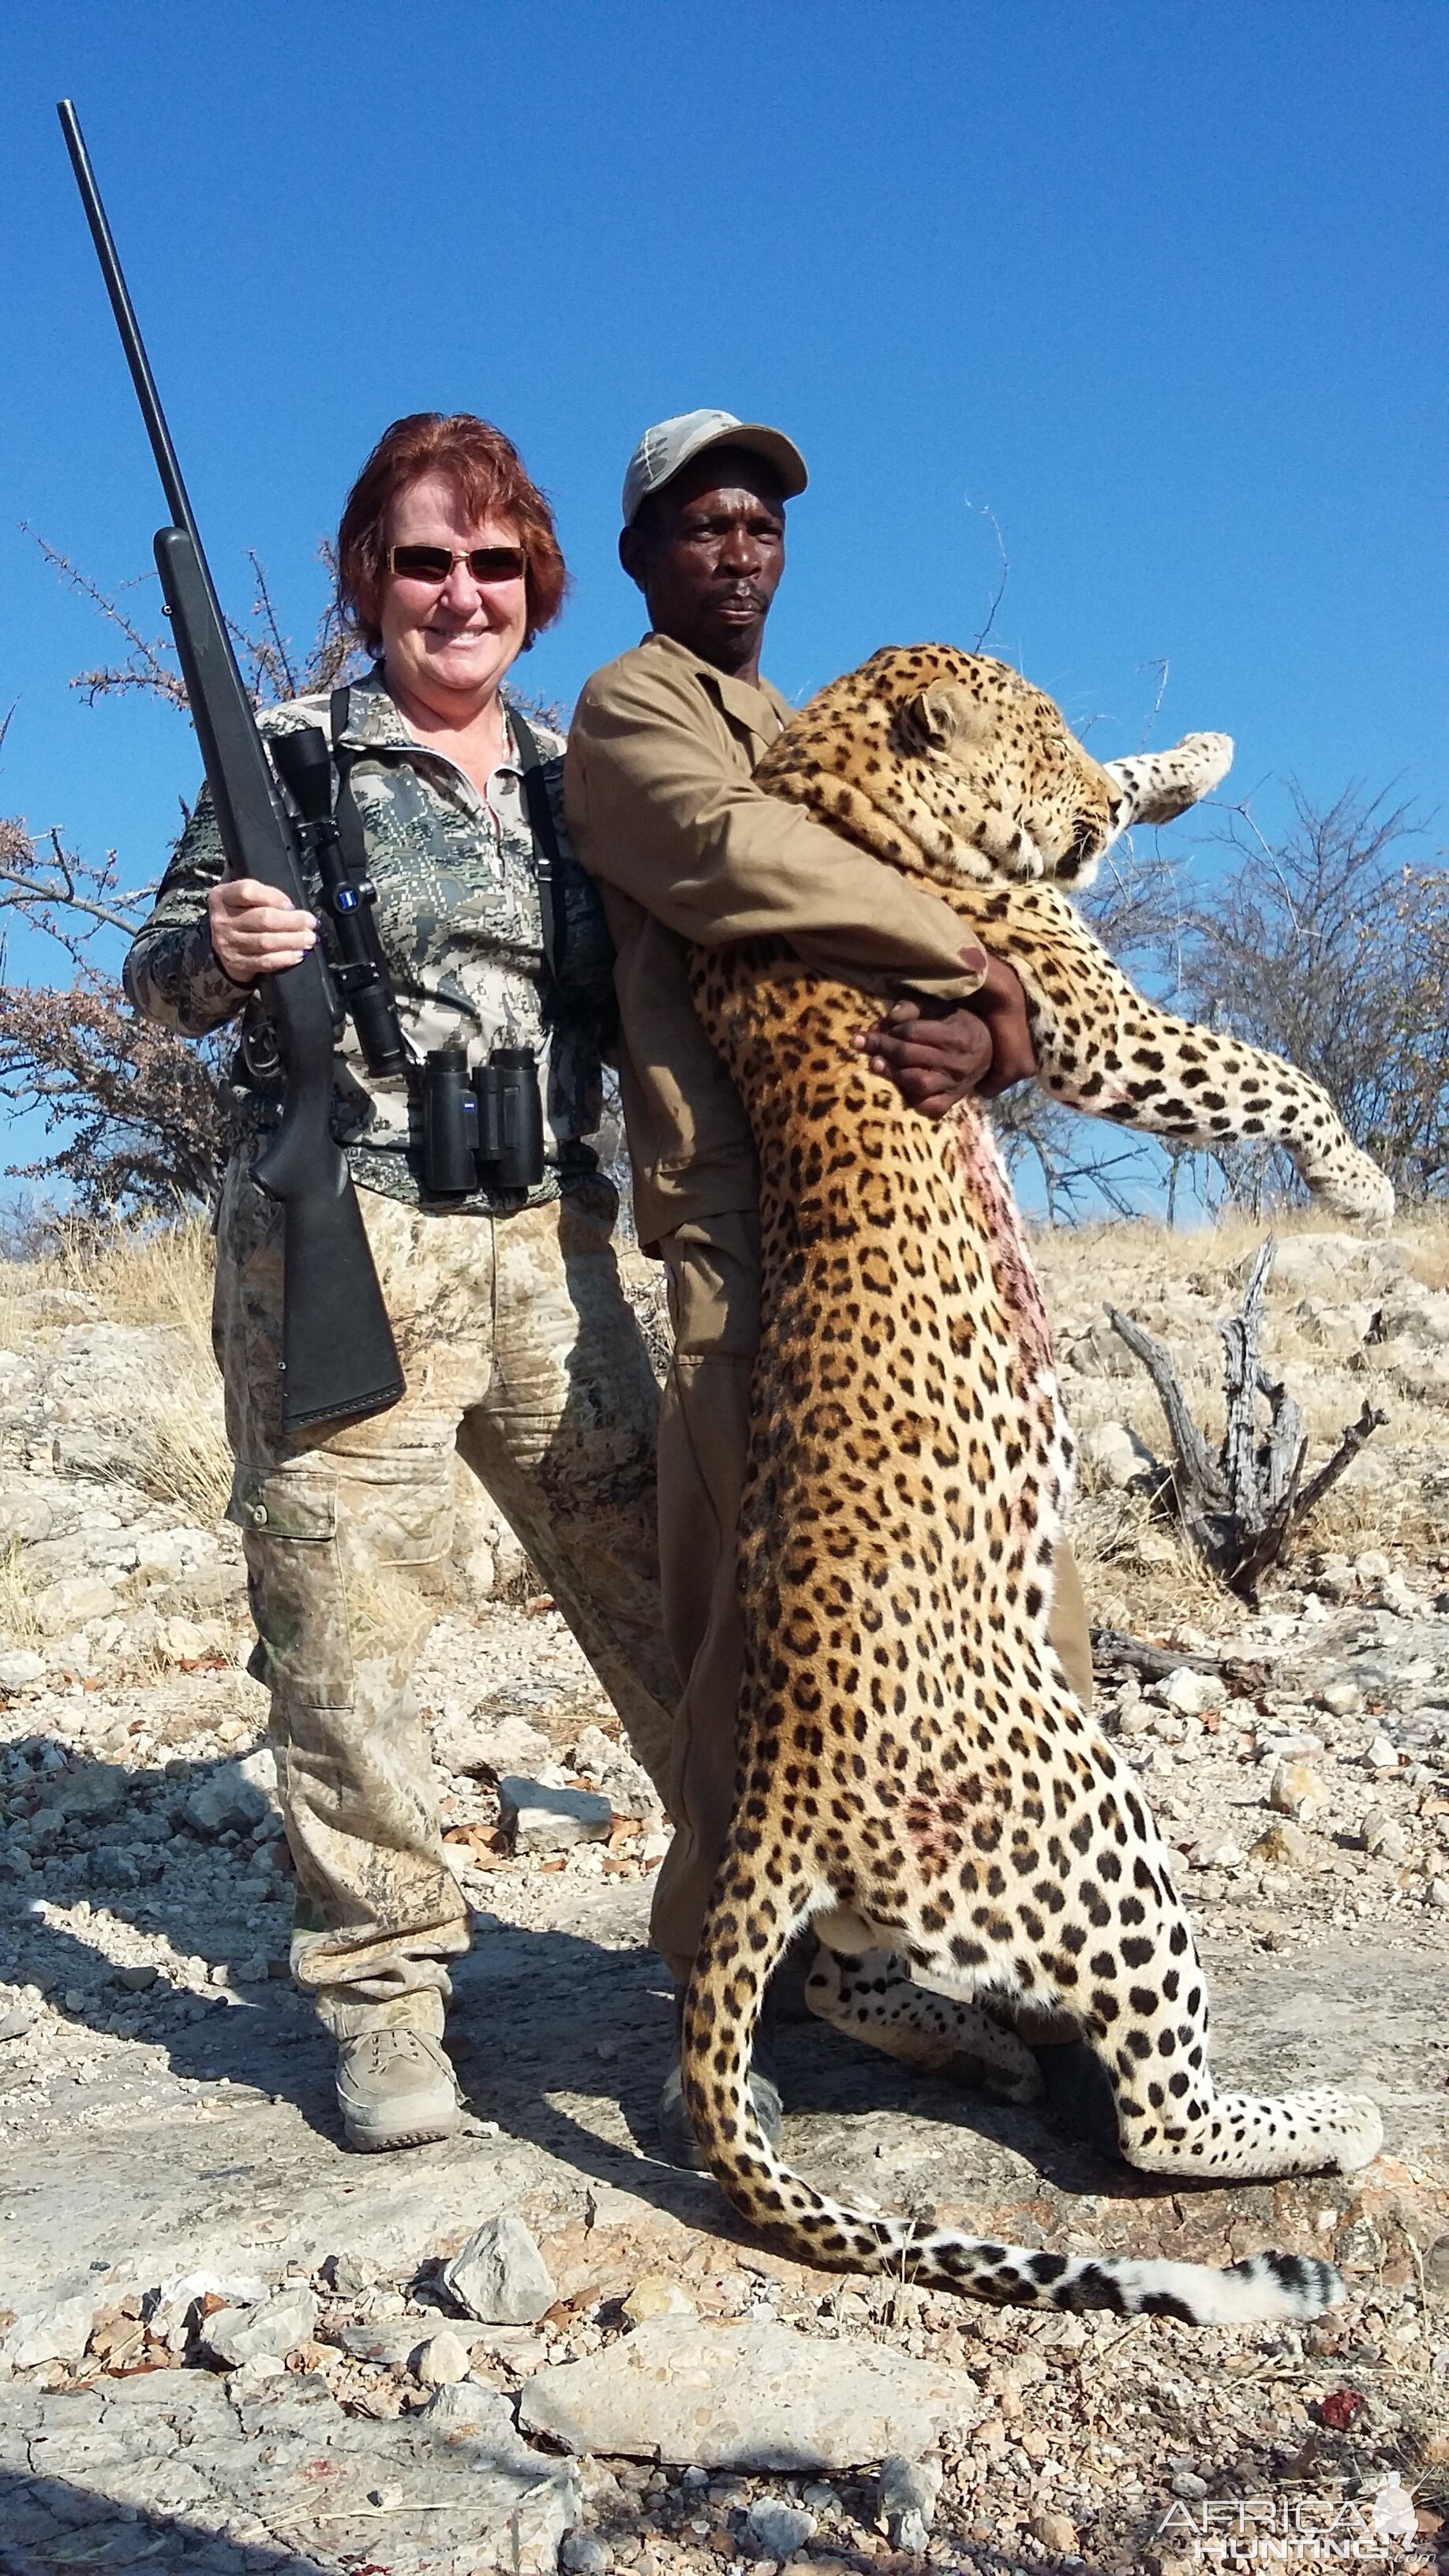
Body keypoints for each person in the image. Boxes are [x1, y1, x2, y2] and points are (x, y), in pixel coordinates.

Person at [125, 413, 676, 2155]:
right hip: (350, 1238)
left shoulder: (581, 771)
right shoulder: (284, 760)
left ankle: (786, 1937)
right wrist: (216, 952)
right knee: (343, 1634)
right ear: (369, 578)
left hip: (561, 1251)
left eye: (493, 563)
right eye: (423, 560)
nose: (459, 593)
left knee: (686, 1595)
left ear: (536, 584)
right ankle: (383, 2001)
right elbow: (156, 976)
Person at [565, 410, 1095, 2162]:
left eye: (762, 528)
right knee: (755, 1646)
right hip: (753, 1250)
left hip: (914, 1246)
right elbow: (735, 865)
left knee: (1010, 1602)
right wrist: (980, 949)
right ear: (642, 555)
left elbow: (950, 929)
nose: (739, 552)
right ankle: (725, 2006)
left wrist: (996, 1035)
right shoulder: (631, 717)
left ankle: (997, 1965)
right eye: (704, 527)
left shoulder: (825, 729)